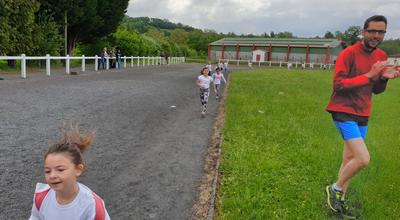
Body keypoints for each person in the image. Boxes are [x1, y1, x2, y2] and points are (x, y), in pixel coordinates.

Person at [325, 15, 400, 218]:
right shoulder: (348, 53)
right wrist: (369, 75)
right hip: (342, 110)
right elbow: (338, 85)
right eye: (372, 31)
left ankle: (337, 205)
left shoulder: (381, 55)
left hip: (363, 112)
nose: (376, 35)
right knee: (363, 159)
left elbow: (376, 90)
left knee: (349, 159)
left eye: (381, 32)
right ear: (363, 31)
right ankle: (336, 188)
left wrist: (383, 79)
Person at [29, 124, 110, 220]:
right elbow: (35, 217)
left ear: (78, 170)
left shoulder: (92, 206)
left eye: (60, 170)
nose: (52, 175)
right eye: (47, 171)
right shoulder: (41, 196)